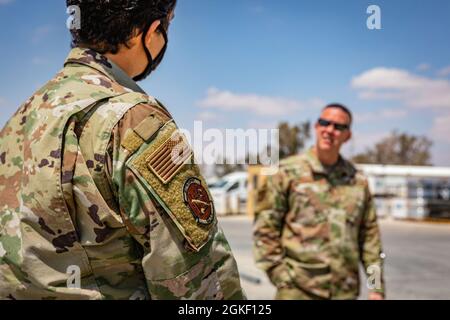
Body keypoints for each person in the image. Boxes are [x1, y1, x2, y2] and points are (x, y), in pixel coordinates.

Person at [0, 0, 245, 300]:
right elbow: (192, 279)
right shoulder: (133, 120)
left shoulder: (19, 119)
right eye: (165, 25)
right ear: (150, 30)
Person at [253, 103, 385, 300]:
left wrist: (376, 288)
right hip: (298, 291)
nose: (330, 130)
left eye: (339, 127)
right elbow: (265, 229)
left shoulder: (358, 181)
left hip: (345, 292)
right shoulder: (286, 173)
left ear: (347, 136)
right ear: (316, 126)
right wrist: (281, 278)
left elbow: (370, 239)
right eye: (325, 123)